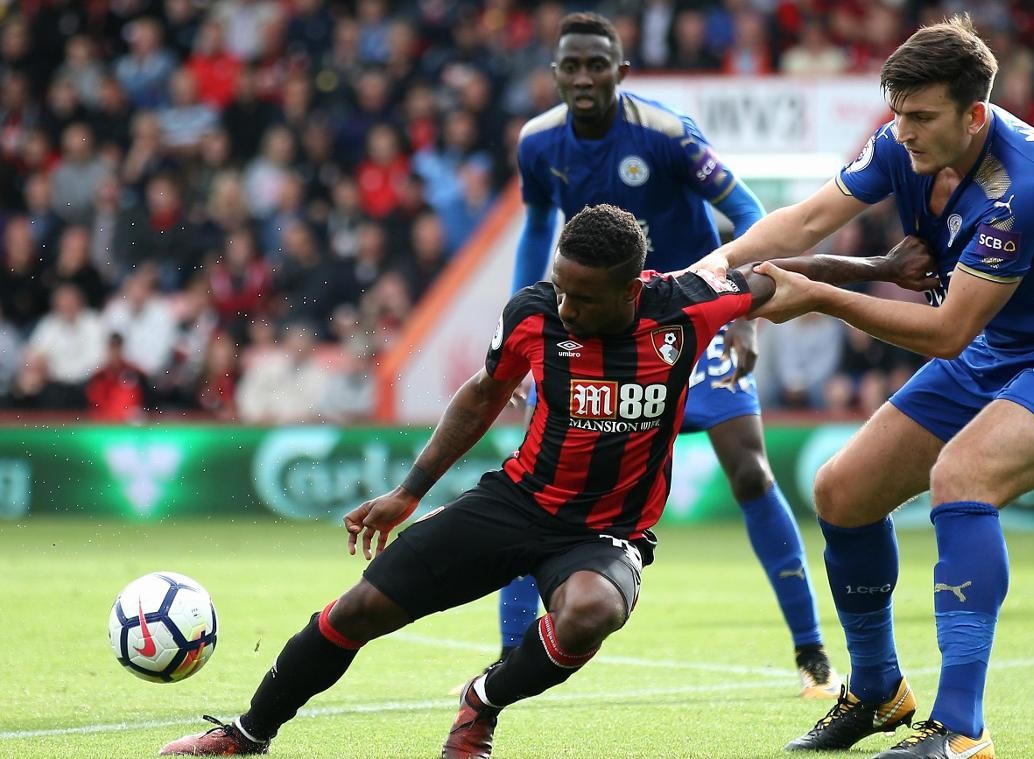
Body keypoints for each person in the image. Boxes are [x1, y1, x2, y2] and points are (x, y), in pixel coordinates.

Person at [157, 204, 930, 759]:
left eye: (582, 295)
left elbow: (783, 274)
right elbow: (482, 394)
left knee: (592, 609)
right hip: (517, 501)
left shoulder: (684, 309)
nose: (564, 303)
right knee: (359, 608)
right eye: (560, 286)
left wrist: (886, 269)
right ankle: (246, 733)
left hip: (607, 534)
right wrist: (410, 489)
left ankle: (481, 702)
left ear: (631, 291)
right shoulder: (534, 314)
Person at [692, 15, 1034, 759]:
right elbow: (810, 218)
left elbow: (946, 333)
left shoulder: (1025, 184)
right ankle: (878, 692)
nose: (902, 130)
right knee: (843, 490)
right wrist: (712, 269)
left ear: (975, 115)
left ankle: (963, 729)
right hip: (1001, 348)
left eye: (921, 116)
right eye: (897, 112)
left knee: (961, 475)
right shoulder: (903, 144)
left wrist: (818, 295)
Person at [487, 11, 842, 699]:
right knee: (536, 482)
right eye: (572, 66)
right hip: (593, 327)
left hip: (687, 318)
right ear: (556, 73)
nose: (585, 77)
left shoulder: (669, 135)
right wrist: (526, 333)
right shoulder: (537, 144)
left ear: (622, 70)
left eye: (598, 64)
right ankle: (508, 657)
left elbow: (746, 212)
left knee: (750, 471)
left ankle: (813, 654)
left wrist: (743, 317)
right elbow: (535, 233)